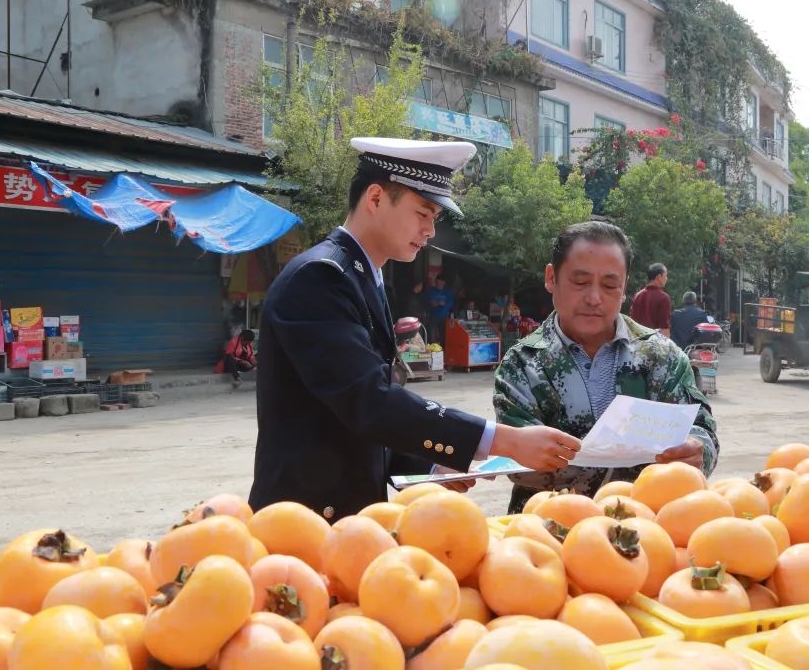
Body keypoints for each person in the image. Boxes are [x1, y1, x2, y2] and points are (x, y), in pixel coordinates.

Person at [248, 137, 581, 521]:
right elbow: (368, 402)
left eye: (434, 220)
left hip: (344, 518)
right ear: (375, 198)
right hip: (300, 522)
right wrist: (500, 439)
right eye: (423, 214)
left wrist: (430, 467)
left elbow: (351, 415)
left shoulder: (364, 276)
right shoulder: (320, 278)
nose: (429, 232)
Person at [493, 221, 719, 513]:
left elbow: (701, 430)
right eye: (580, 282)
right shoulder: (522, 364)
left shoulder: (662, 356)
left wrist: (696, 451)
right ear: (551, 277)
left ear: (625, 287)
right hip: (547, 531)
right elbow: (521, 465)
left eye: (610, 285)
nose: (594, 298)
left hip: (645, 532)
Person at [629, 263, 671, 332]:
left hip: (637, 339)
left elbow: (631, 323)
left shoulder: (637, 296)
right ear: (659, 276)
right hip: (654, 341)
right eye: (665, 275)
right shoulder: (664, 298)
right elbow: (664, 327)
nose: (667, 278)